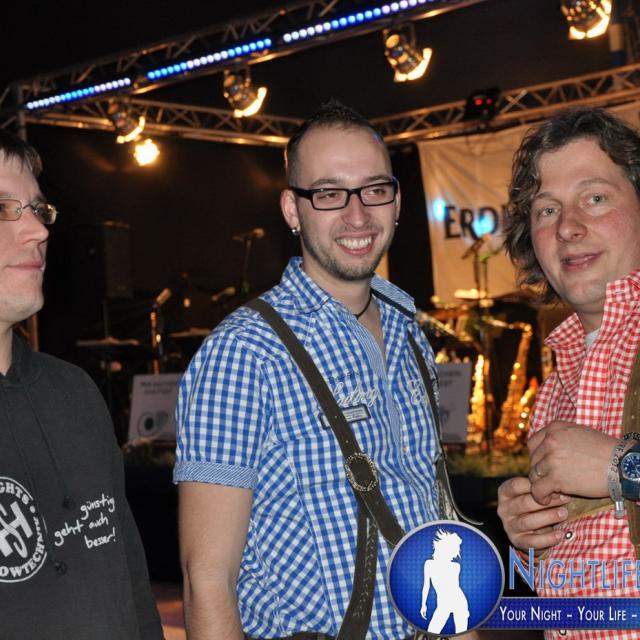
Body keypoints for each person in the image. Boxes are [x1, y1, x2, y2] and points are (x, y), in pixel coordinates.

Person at [175, 101, 476, 640]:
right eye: (330, 194)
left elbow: (430, 509)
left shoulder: (409, 333)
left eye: (374, 190)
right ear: (292, 210)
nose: (357, 215)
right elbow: (207, 581)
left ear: (397, 200)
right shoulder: (243, 353)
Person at [0, 129, 163, 639]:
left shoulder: (75, 393)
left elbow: (133, 581)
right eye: (4, 209)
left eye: (38, 209)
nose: (38, 230)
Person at [497, 106, 640, 638]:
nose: (568, 227)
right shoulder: (559, 378)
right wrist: (529, 538)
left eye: (595, 198)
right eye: (547, 209)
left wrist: (621, 467)